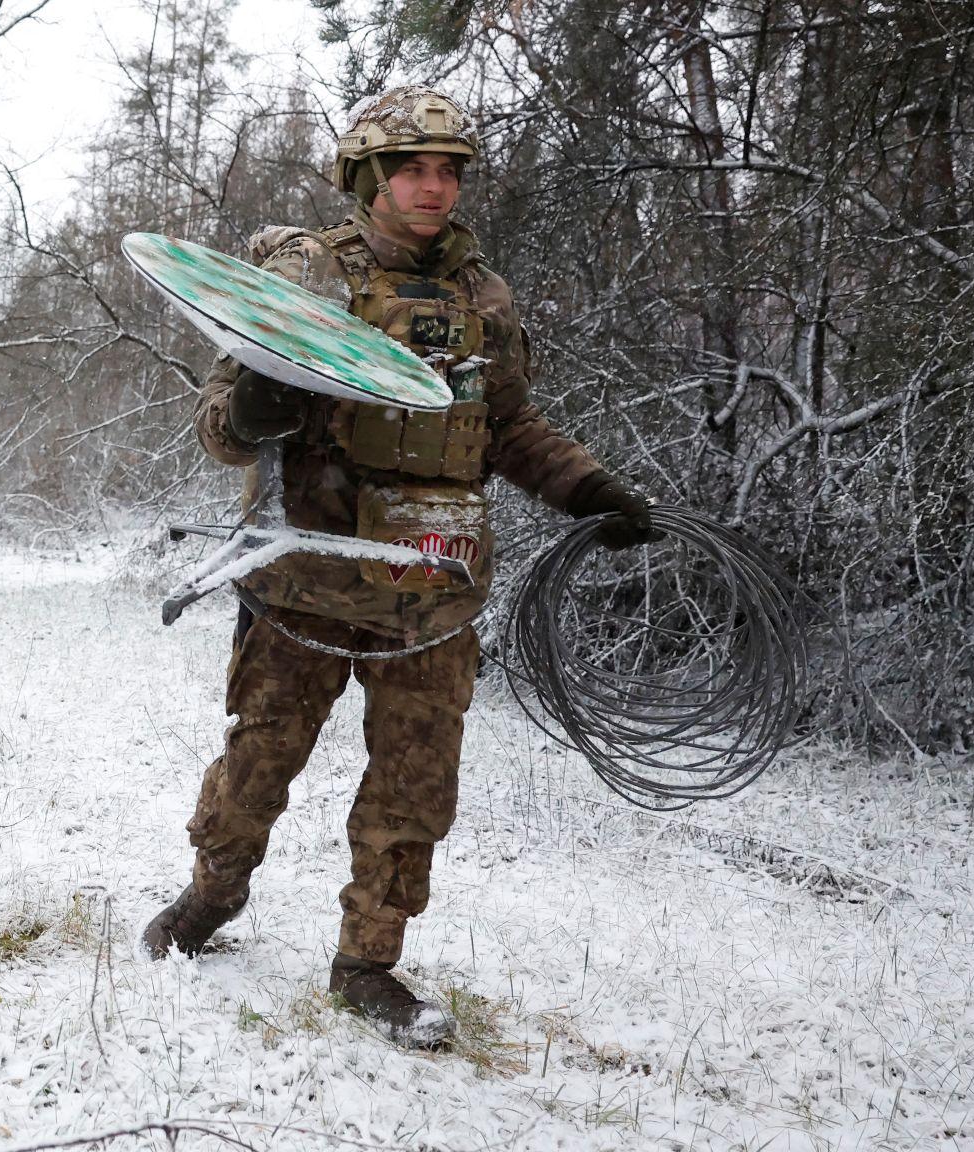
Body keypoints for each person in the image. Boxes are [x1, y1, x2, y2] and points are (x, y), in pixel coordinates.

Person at [141, 86, 659, 1047]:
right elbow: (219, 429)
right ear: (368, 179)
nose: (433, 187)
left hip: (432, 585)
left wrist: (591, 491)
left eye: (448, 170)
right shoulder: (300, 277)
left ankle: (367, 964)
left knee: (414, 784)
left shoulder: (483, 299)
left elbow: (506, 426)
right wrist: (255, 403)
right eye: (412, 169)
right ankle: (212, 896)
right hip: (305, 581)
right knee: (261, 755)